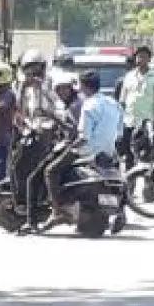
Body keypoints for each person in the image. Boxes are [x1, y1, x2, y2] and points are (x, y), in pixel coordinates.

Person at [43, 70, 122, 227]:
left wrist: (70, 146)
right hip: (108, 151)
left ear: (85, 86)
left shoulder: (88, 106)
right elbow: (119, 132)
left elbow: (83, 137)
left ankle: (57, 211)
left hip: (87, 152)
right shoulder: (113, 103)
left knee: (50, 171)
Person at [119, 45, 154, 169]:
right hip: (129, 122)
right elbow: (122, 100)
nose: (140, 59)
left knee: (145, 156)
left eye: (144, 57)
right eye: (138, 56)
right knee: (128, 155)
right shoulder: (129, 76)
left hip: (146, 124)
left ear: (149, 59)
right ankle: (128, 183)